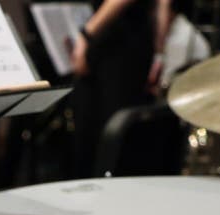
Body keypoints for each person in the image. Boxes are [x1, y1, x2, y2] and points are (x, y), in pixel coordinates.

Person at [71, 0, 172, 178]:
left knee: (98, 141)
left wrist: (87, 34)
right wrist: (159, 52)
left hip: (112, 44)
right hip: (135, 41)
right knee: (119, 138)